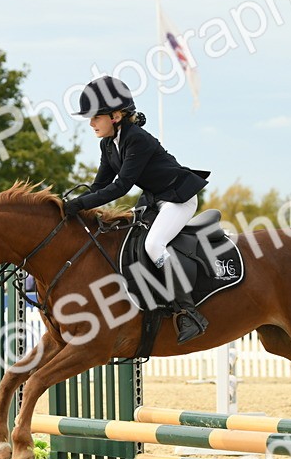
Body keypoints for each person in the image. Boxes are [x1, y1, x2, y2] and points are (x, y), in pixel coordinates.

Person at [62, 75, 211, 343]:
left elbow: (121, 187)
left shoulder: (137, 139)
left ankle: (188, 312)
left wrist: (80, 204)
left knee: (155, 245)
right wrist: (67, 206)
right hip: (155, 199)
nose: (91, 123)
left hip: (178, 198)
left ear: (116, 116)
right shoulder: (108, 144)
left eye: (96, 117)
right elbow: (100, 185)